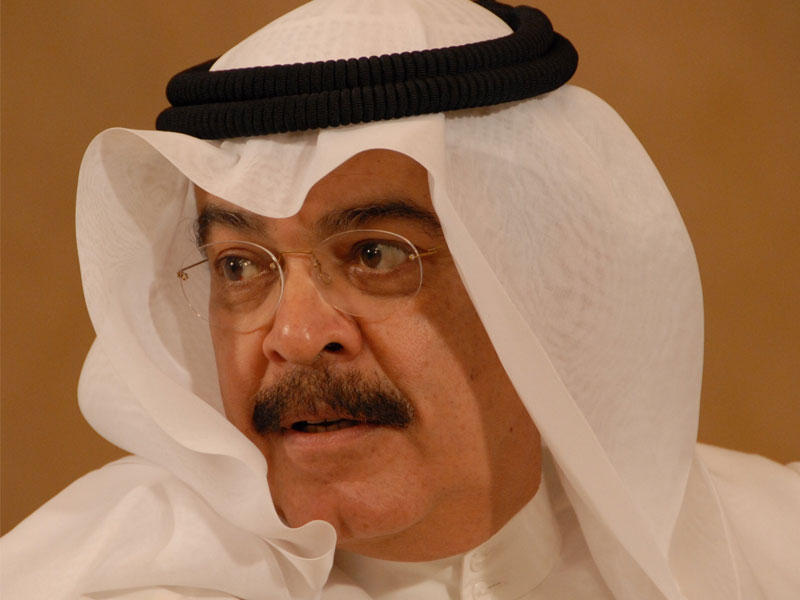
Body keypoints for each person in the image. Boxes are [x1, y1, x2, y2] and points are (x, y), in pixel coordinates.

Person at [2, 0, 798, 598]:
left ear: (535, 281)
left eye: (374, 255)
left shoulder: (773, 549)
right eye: (240, 266)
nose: (296, 335)